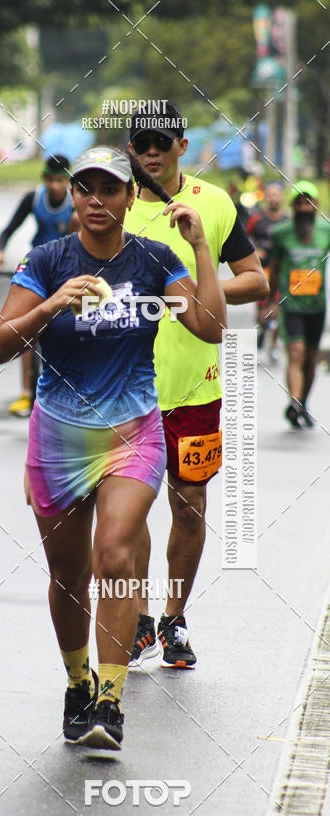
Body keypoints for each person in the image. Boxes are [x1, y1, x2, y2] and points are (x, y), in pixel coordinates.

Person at [0, 146, 226, 749]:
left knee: (115, 556)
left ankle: (110, 701)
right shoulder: (47, 260)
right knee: (67, 572)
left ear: (128, 197)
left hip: (132, 433)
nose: (97, 200)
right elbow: (0, 345)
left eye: (110, 190)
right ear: (73, 196)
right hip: (59, 434)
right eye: (85, 189)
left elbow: (210, 326)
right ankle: (77, 683)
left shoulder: (152, 259)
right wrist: (52, 304)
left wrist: (201, 248)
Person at [124, 103, 268, 669]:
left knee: (190, 506)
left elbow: (255, 280)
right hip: (126, 386)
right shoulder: (112, 201)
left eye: (161, 142)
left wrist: (195, 295)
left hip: (195, 389)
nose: (150, 153)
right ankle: (135, 621)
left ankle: (173, 619)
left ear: (182, 144)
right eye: (141, 144)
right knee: (127, 510)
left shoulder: (213, 203)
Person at [0, 155, 74, 416]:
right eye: (50, 180)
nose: (55, 186)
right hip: (38, 270)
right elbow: (8, 229)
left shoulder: (76, 203)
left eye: (60, 181)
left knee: (67, 331)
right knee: (27, 333)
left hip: (66, 274)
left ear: (68, 182)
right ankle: (27, 394)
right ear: (43, 179)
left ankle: (67, 391)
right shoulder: (33, 199)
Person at [268, 180, 330, 428]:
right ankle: (294, 401)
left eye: (308, 202)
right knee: (296, 353)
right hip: (290, 304)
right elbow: (273, 270)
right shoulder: (281, 233)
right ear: (292, 206)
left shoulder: (326, 231)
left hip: (317, 306)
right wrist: (270, 301)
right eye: (299, 202)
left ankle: (303, 402)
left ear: (317, 204)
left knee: (311, 357)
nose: (304, 207)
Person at [247, 182, 289, 362]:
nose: (274, 197)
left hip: (281, 271)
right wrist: (254, 250)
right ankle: (263, 329)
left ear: (281, 197)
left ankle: (273, 345)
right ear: (266, 197)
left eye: (276, 194)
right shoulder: (257, 219)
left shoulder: (287, 220)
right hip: (262, 270)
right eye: (270, 194)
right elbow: (245, 239)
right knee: (262, 309)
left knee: (279, 308)